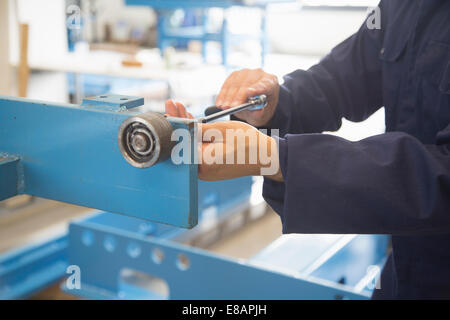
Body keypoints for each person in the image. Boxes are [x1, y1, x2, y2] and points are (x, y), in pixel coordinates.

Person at [165, 0, 450, 299]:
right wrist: (275, 106)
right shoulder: (402, 6)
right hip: (406, 266)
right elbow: (340, 80)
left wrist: (278, 159)